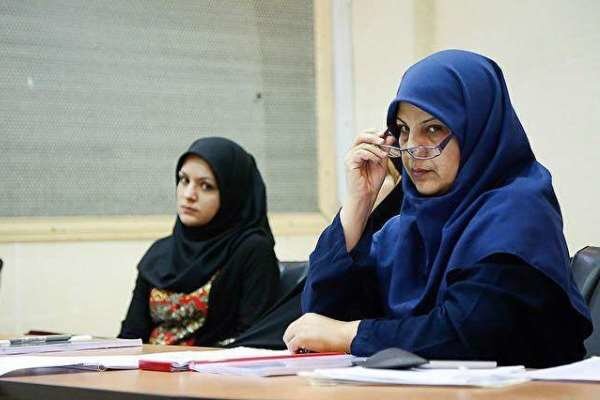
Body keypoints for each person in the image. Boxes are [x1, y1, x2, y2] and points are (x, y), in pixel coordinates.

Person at [283, 50, 592, 367]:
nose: (413, 149)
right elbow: (320, 319)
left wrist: (349, 334)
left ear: (476, 128)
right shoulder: (408, 227)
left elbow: (468, 333)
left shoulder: (517, 211)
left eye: (433, 129)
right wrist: (358, 203)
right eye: (403, 130)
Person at [119, 137, 280, 346]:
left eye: (206, 186)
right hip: (146, 364)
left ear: (233, 194)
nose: (188, 195)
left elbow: (253, 339)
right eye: (184, 180)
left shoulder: (252, 250)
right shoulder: (160, 253)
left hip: (213, 366)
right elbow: (131, 336)